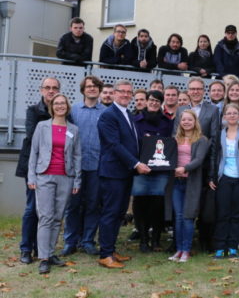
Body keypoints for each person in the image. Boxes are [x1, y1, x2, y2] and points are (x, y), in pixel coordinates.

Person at [97, 79, 151, 269]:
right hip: (113, 172)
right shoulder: (108, 115)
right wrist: (136, 163)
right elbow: (114, 145)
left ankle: (110, 250)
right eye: (122, 92)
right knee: (110, 213)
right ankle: (105, 254)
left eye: (129, 92)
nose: (126, 95)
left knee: (119, 212)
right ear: (114, 93)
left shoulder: (127, 113)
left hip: (124, 172)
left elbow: (130, 141)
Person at [27, 94, 81, 274]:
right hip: (44, 176)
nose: (60, 106)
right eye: (56, 103)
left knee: (58, 217)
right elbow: (33, 153)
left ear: (67, 106)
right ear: (52, 107)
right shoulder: (42, 126)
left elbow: (77, 156)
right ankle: (43, 257)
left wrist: (77, 179)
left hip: (66, 177)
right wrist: (31, 177)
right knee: (45, 217)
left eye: (63, 103)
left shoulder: (73, 129)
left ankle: (50, 253)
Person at [16, 76, 61, 265]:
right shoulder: (33, 111)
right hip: (34, 167)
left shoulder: (63, 112)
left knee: (50, 212)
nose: (51, 91)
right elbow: (33, 136)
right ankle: (26, 249)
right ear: (41, 90)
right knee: (32, 209)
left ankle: (43, 251)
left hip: (56, 169)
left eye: (54, 88)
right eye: (47, 87)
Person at [175, 77, 221, 251]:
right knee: (182, 209)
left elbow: (215, 141)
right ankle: (180, 245)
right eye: (192, 89)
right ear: (188, 90)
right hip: (182, 168)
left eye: (199, 89)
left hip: (203, 166)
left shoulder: (213, 110)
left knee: (202, 207)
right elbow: (175, 139)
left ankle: (203, 242)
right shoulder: (181, 110)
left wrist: (211, 173)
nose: (195, 91)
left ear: (204, 91)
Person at [62, 76, 106, 257]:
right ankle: (70, 241)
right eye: (89, 86)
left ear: (99, 89)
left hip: (96, 165)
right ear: (83, 90)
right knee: (73, 205)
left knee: (93, 205)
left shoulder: (105, 112)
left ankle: (88, 240)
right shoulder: (73, 111)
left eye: (95, 86)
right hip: (75, 167)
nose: (92, 89)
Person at [209, 104, 239, 259]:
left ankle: (232, 247)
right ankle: (220, 247)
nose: (231, 115)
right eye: (228, 113)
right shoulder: (219, 135)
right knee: (222, 213)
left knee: (237, 215)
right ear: (224, 116)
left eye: (234, 113)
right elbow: (213, 158)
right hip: (223, 179)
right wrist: (211, 177)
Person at [132, 91, 174, 253]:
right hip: (141, 168)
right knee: (141, 203)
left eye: (158, 101)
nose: (154, 103)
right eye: (151, 100)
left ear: (161, 103)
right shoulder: (136, 121)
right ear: (146, 101)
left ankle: (156, 240)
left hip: (160, 169)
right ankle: (143, 240)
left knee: (158, 204)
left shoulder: (167, 122)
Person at [166, 110, 210, 262]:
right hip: (176, 182)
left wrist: (184, 169)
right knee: (178, 217)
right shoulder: (175, 139)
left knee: (188, 217)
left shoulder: (201, 140)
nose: (186, 122)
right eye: (183, 120)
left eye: (189, 120)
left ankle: (186, 250)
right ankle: (178, 249)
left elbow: (199, 160)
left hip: (191, 182)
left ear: (195, 121)